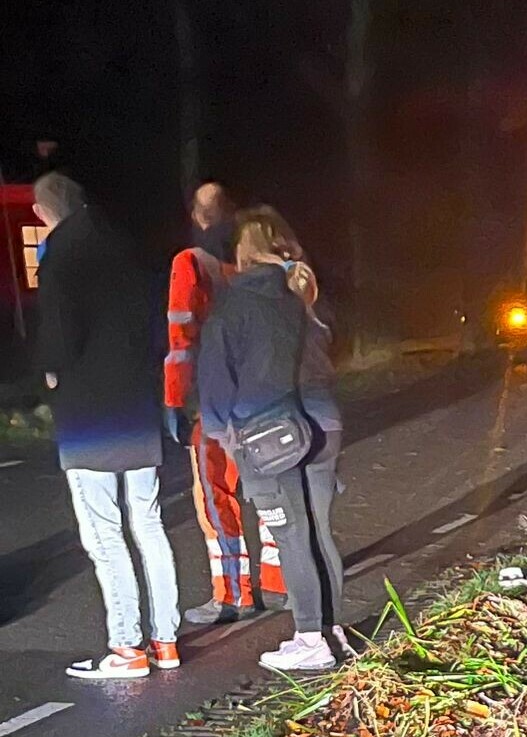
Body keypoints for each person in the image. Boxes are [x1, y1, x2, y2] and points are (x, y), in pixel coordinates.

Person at [31, 171, 183, 679]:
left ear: (41, 212)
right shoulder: (127, 245)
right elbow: (154, 323)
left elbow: (58, 335)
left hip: (88, 416)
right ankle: (166, 640)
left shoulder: (59, 254)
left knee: (104, 534)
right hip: (136, 406)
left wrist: (51, 375)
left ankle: (126, 647)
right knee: (149, 523)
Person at [197, 205, 346, 671]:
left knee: (290, 535)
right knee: (319, 532)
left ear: (243, 252)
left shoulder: (236, 301)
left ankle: (309, 639)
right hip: (323, 422)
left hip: (269, 433)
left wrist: (222, 431)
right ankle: (331, 629)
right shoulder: (304, 287)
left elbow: (216, 376)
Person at [166, 181, 285, 624]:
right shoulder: (255, 266)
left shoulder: (190, 264)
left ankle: (233, 594)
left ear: (197, 218)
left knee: (215, 498)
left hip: (210, 404)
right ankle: (279, 581)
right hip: (261, 400)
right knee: (268, 490)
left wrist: (175, 399)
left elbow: (181, 340)